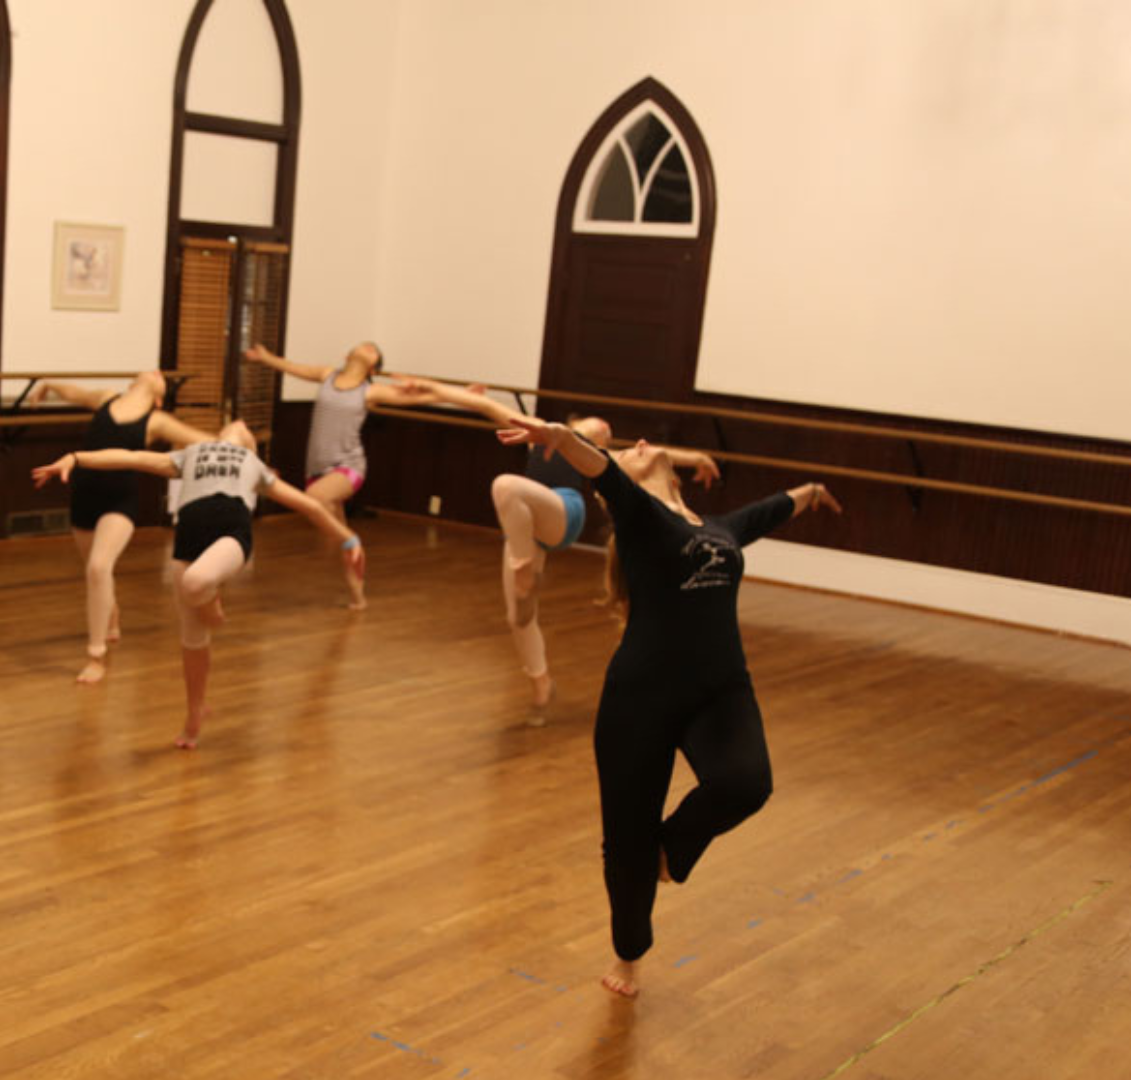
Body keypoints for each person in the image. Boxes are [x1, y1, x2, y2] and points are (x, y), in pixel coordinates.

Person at [497, 413, 841, 998]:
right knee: (622, 842)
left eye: (641, 445)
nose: (640, 445)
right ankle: (630, 955)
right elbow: (599, 468)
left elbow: (765, 512)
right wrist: (559, 439)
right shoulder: (637, 514)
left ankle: (668, 851)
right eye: (631, 451)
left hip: (720, 691)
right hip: (640, 698)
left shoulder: (717, 528)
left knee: (747, 783)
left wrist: (807, 494)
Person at [33, 421, 365, 748]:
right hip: (187, 542)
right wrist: (76, 458)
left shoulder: (254, 465)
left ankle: (211, 600)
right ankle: (194, 712)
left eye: (244, 427)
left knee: (195, 583)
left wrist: (348, 539)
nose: (237, 424)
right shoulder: (190, 453)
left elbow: (310, 505)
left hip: (231, 538)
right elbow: (130, 457)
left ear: (248, 443)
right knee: (192, 641)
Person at [406, 381, 718, 717]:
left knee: (505, 485)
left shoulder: (593, 455)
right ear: (577, 420)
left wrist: (698, 457)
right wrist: (424, 387)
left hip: (563, 513)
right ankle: (542, 683)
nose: (607, 432)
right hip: (524, 524)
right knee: (519, 617)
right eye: (603, 426)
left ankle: (524, 564)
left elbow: (656, 456)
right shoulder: (535, 431)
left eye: (607, 438)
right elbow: (477, 405)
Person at [27, 372, 213, 683]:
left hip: (120, 502)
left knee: (99, 568)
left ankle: (95, 655)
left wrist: (243, 446)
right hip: (84, 498)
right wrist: (47, 384)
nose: (155, 373)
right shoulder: (105, 398)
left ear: (158, 396)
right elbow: (73, 390)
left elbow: (206, 440)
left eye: (160, 377)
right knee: (96, 570)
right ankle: (110, 612)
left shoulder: (158, 420)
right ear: (132, 383)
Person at [242, 342, 437, 610]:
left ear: (373, 366)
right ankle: (359, 597)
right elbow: (294, 368)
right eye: (363, 345)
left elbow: (416, 398)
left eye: (372, 349)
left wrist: (465, 397)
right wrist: (266, 358)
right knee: (339, 536)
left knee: (315, 499)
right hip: (316, 470)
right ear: (347, 356)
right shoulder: (327, 375)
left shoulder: (370, 390)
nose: (367, 346)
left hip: (349, 467)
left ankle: (353, 542)